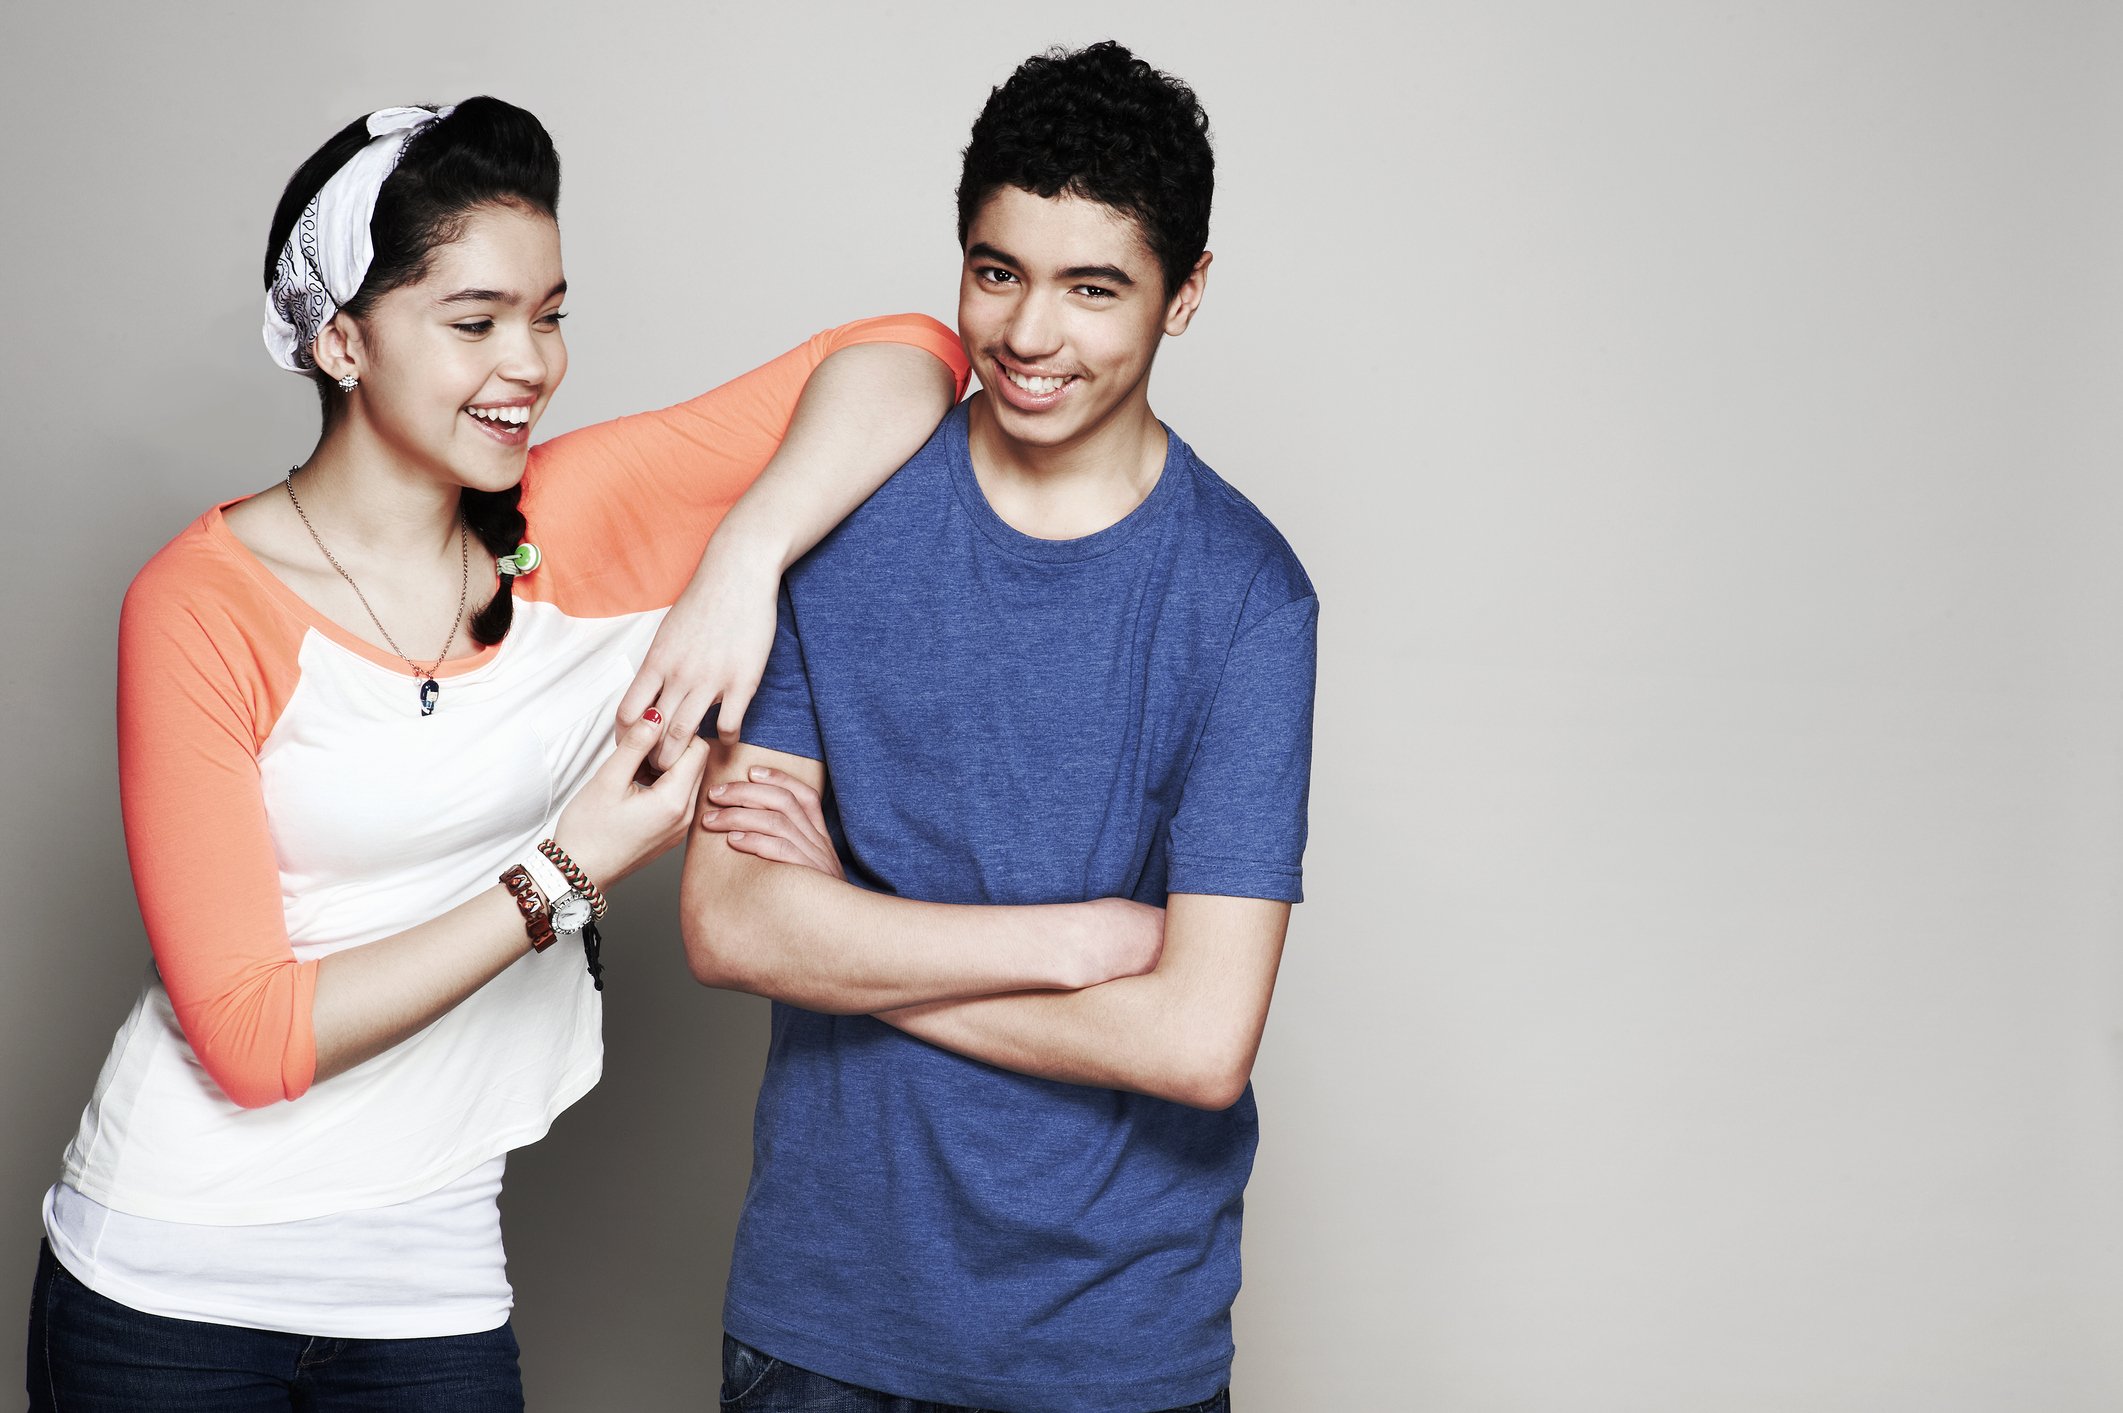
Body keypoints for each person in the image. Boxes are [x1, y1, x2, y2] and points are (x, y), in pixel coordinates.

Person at [25, 96, 1146, 1412]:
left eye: (550, 313)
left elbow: (908, 357)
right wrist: (571, 867)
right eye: (475, 320)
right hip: (168, 1285)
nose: (531, 363)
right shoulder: (199, 603)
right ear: (341, 337)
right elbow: (254, 1038)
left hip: (428, 1274)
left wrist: (744, 553)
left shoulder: (575, 518)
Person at [683, 43, 1319, 1413]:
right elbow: (730, 923)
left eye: (1096, 288)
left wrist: (846, 925)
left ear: (1186, 294)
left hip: (1112, 1340)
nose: (1031, 335)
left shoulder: (1249, 599)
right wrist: (1079, 947)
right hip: (828, 1319)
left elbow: (1199, 1040)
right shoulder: (839, 514)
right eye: (996, 271)